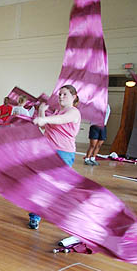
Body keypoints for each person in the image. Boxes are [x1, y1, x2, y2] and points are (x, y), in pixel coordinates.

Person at [30, 85, 81, 230]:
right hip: (46, 151)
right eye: (60, 94)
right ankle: (35, 216)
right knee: (39, 185)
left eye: (65, 94)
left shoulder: (73, 112)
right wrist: (41, 111)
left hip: (63, 153)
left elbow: (61, 119)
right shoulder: (57, 111)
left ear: (74, 96)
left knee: (56, 187)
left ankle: (66, 214)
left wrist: (45, 119)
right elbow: (45, 127)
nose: (61, 97)